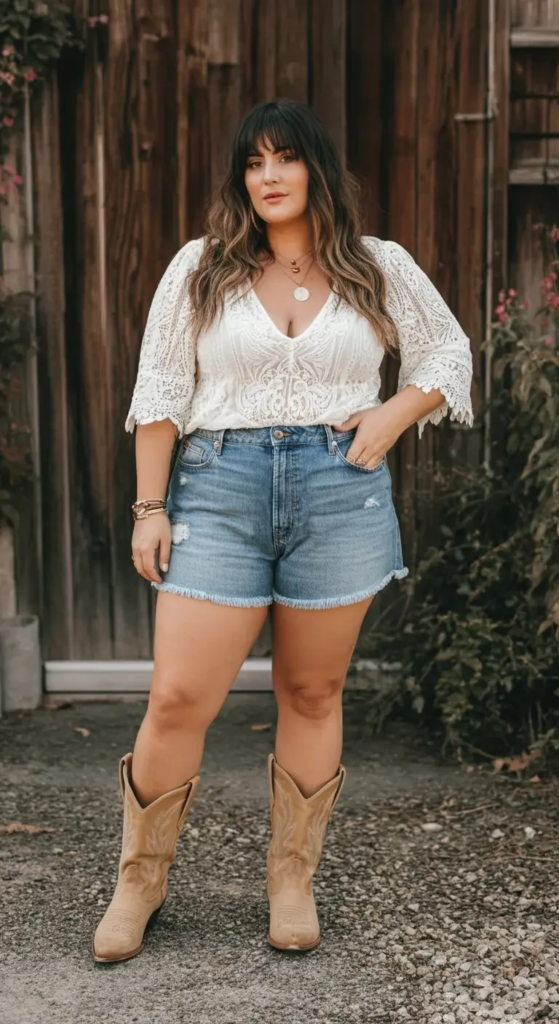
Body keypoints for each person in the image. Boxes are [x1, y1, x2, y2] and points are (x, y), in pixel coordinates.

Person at [91, 99, 473, 964]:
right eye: (253, 162)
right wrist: (150, 509)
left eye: (285, 158)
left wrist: (392, 415)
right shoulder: (202, 267)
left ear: (315, 168)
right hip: (218, 488)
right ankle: (139, 882)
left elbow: (447, 355)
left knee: (311, 693)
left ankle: (291, 878)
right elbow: (161, 391)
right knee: (176, 698)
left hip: (339, 493)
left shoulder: (377, 264)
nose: (268, 175)